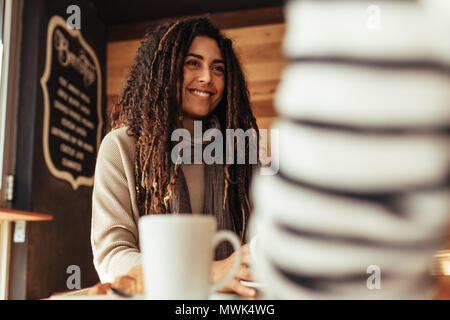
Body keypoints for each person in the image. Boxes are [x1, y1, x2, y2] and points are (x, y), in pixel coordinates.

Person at [90, 17, 259, 297]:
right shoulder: (121, 147)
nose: (207, 77)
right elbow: (112, 255)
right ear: (164, 71)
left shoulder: (241, 150)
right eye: (193, 63)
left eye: (218, 68)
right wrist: (202, 273)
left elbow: (260, 243)